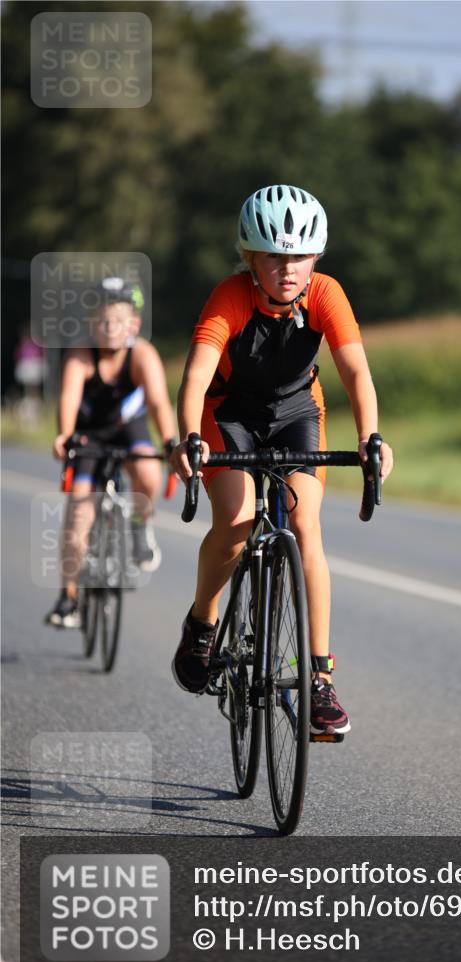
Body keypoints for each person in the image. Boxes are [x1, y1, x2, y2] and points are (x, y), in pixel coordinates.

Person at [170, 184, 393, 736]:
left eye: (298, 255)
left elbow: (357, 373)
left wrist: (372, 439)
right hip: (228, 413)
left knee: (304, 526)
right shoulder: (230, 296)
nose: (287, 268)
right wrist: (185, 440)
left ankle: (319, 679)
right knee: (239, 520)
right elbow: (196, 376)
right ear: (251, 259)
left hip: (297, 409)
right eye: (273, 255)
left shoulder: (325, 294)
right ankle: (202, 622)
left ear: (315, 256)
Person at [45, 277, 177, 628]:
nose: (109, 329)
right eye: (102, 322)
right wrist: (65, 434)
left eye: (117, 322)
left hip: (127, 427)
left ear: (133, 324)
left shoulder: (142, 353)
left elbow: (159, 403)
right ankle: (68, 597)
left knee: (149, 472)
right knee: (79, 511)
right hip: (89, 433)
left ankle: (139, 524)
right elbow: (69, 397)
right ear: (92, 324)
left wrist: (169, 442)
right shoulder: (81, 353)